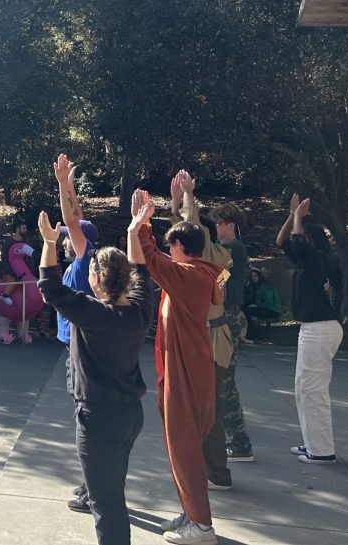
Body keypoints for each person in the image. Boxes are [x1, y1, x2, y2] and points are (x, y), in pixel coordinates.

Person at [39, 201, 151, 545]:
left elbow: (50, 287)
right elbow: (142, 272)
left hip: (98, 417)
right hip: (131, 414)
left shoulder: (94, 314)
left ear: (97, 279)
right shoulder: (139, 310)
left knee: (107, 504)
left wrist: (48, 243)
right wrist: (134, 232)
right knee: (112, 492)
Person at [127, 188, 222, 544]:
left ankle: (201, 526)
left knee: (185, 450)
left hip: (186, 375)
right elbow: (159, 262)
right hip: (182, 372)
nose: (170, 252)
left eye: (173, 246)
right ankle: (191, 513)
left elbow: (151, 260)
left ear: (182, 248)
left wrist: (143, 226)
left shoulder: (191, 277)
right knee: (181, 449)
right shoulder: (195, 274)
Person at [167, 171, 237, 492]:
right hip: (198, 340)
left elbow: (193, 231)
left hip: (210, 341)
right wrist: (176, 203)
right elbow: (184, 235)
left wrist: (189, 199)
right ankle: (204, 470)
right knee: (196, 408)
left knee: (208, 409)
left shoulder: (217, 256)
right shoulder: (197, 259)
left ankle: (215, 472)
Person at [276, 194, 344, 465]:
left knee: (312, 391)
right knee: (304, 390)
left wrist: (298, 219)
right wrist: (293, 216)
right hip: (318, 329)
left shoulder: (316, 258)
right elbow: (281, 242)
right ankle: (314, 443)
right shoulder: (315, 260)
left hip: (319, 329)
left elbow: (296, 242)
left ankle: (322, 451)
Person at [51, 155, 100, 511]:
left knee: (87, 418)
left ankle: (92, 487)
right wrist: (71, 190)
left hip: (81, 348)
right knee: (85, 415)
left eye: (69, 236)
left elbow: (73, 221)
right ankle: (91, 483)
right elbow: (77, 218)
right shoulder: (86, 258)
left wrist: (62, 185)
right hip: (77, 346)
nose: (66, 237)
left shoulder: (85, 262)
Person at [209, 201, 254, 462]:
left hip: (229, 317)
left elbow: (209, 261)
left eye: (219, 223)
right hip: (227, 317)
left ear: (230, 226)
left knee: (224, 382)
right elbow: (219, 278)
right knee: (221, 380)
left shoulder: (232, 248)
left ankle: (240, 442)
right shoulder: (231, 251)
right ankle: (232, 436)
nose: (216, 227)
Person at [0, 218, 43, 345]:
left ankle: (23, 334)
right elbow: (5, 259)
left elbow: (29, 259)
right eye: (23, 228)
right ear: (17, 228)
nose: (25, 230)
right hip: (11, 273)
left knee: (27, 306)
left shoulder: (25, 243)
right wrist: (11, 272)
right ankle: (4, 297)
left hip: (23, 275)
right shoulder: (9, 243)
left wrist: (30, 274)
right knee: (12, 285)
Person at [242, 268, 281, 339]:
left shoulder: (264, 286)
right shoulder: (257, 287)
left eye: (256, 276)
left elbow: (268, 302)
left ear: (259, 276)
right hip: (266, 308)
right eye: (252, 276)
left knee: (246, 311)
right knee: (246, 310)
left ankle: (251, 334)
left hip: (272, 310)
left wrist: (257, 305)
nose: (254, 278)